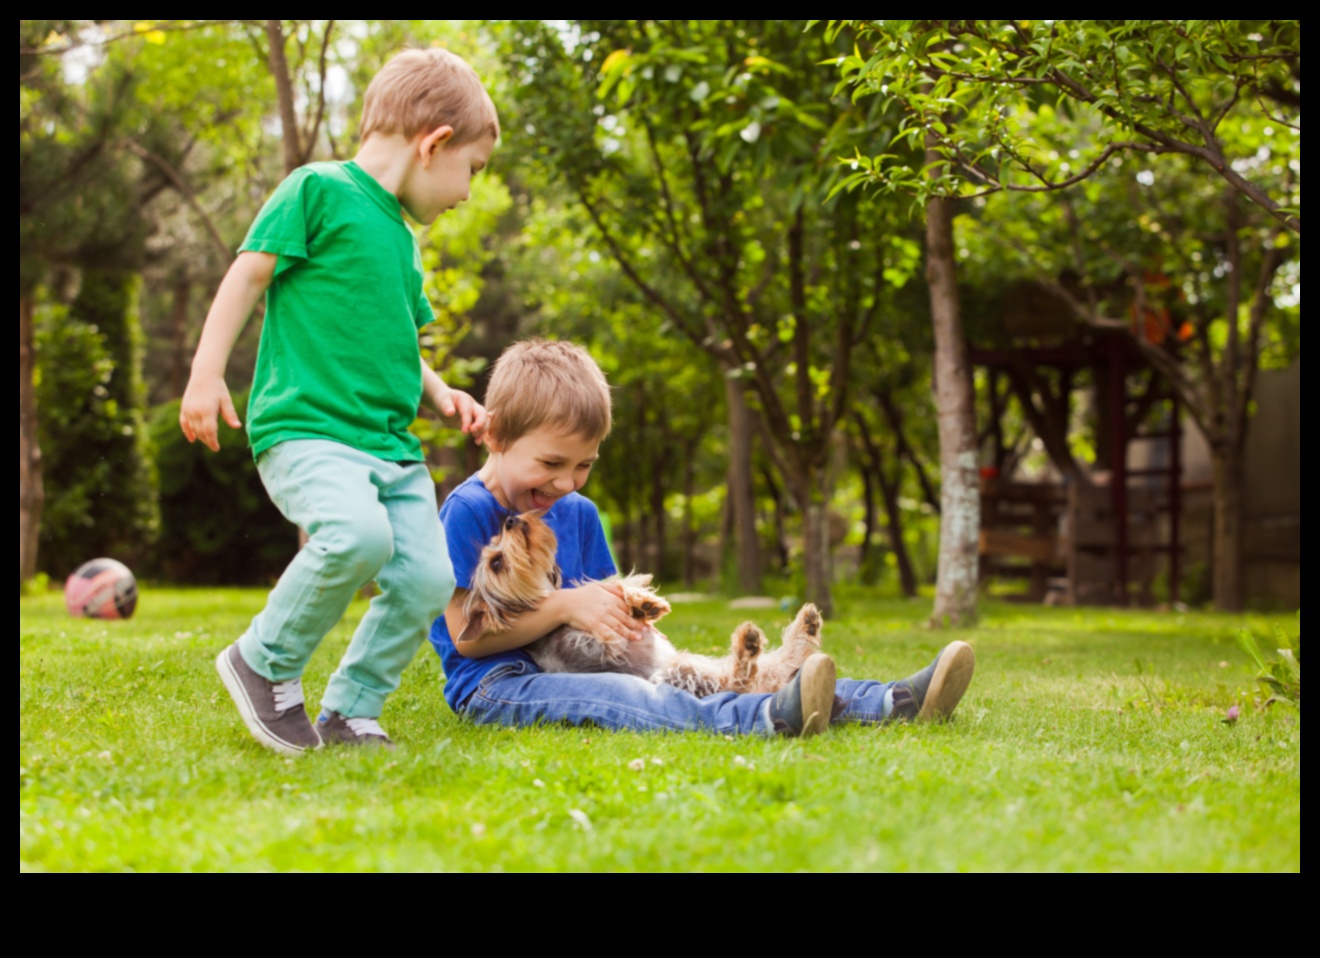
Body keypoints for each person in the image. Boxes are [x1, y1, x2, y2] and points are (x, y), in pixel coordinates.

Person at [181, 48, 499, 755]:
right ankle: (262, 660)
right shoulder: (316, 190)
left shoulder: (404, 245)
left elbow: (395, 340)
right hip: (309, 429)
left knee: (427, 577)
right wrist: (207, 373)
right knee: (358, 536)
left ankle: (352, 710)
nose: (469, 192)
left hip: (388, 445)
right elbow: (247, 276)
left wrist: (443, 393)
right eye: (472, 171)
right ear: (435, 142)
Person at [431, 339, 976, 737]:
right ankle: (763, 717)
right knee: (630, 696)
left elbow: (609, 606)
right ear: (496, 434)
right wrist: (565, 605)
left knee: (684, 676)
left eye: (583, 466)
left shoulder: (578, 511)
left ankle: (892, 700)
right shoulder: (468, 511)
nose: (565, 482)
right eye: (552, 462)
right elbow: (468, 639)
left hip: (589, 663)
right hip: (500, 683)